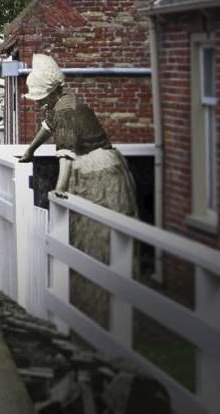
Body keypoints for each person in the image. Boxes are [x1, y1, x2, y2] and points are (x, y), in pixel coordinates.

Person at [19, 54, 137, 325]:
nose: (38, 103)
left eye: (40, 97)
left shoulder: (65, 108)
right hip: (89, 168)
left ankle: (102, 310)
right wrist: (30, 150)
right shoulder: (61, 102)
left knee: (98, 238)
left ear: (51, 92)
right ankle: (86, 306)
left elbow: (66, 154)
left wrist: (59, 189)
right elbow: (48, 128)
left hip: (99, 171)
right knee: (83, 238)